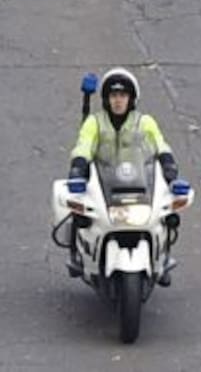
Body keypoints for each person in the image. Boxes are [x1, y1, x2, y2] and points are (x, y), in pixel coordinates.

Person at [66, 68, 181, 280]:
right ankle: (77, 254)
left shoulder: (144, 122)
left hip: (139, 182)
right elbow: (83, 146)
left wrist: (170, 169)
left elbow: (161, 145)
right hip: (105, 182)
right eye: (113, 95)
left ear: (131, 98)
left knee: (168, 213)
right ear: (106, 99)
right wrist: (78, 168)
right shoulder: (95, 122)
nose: (118, 100)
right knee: (77, 210)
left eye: (123, 95)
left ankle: (164, 257)